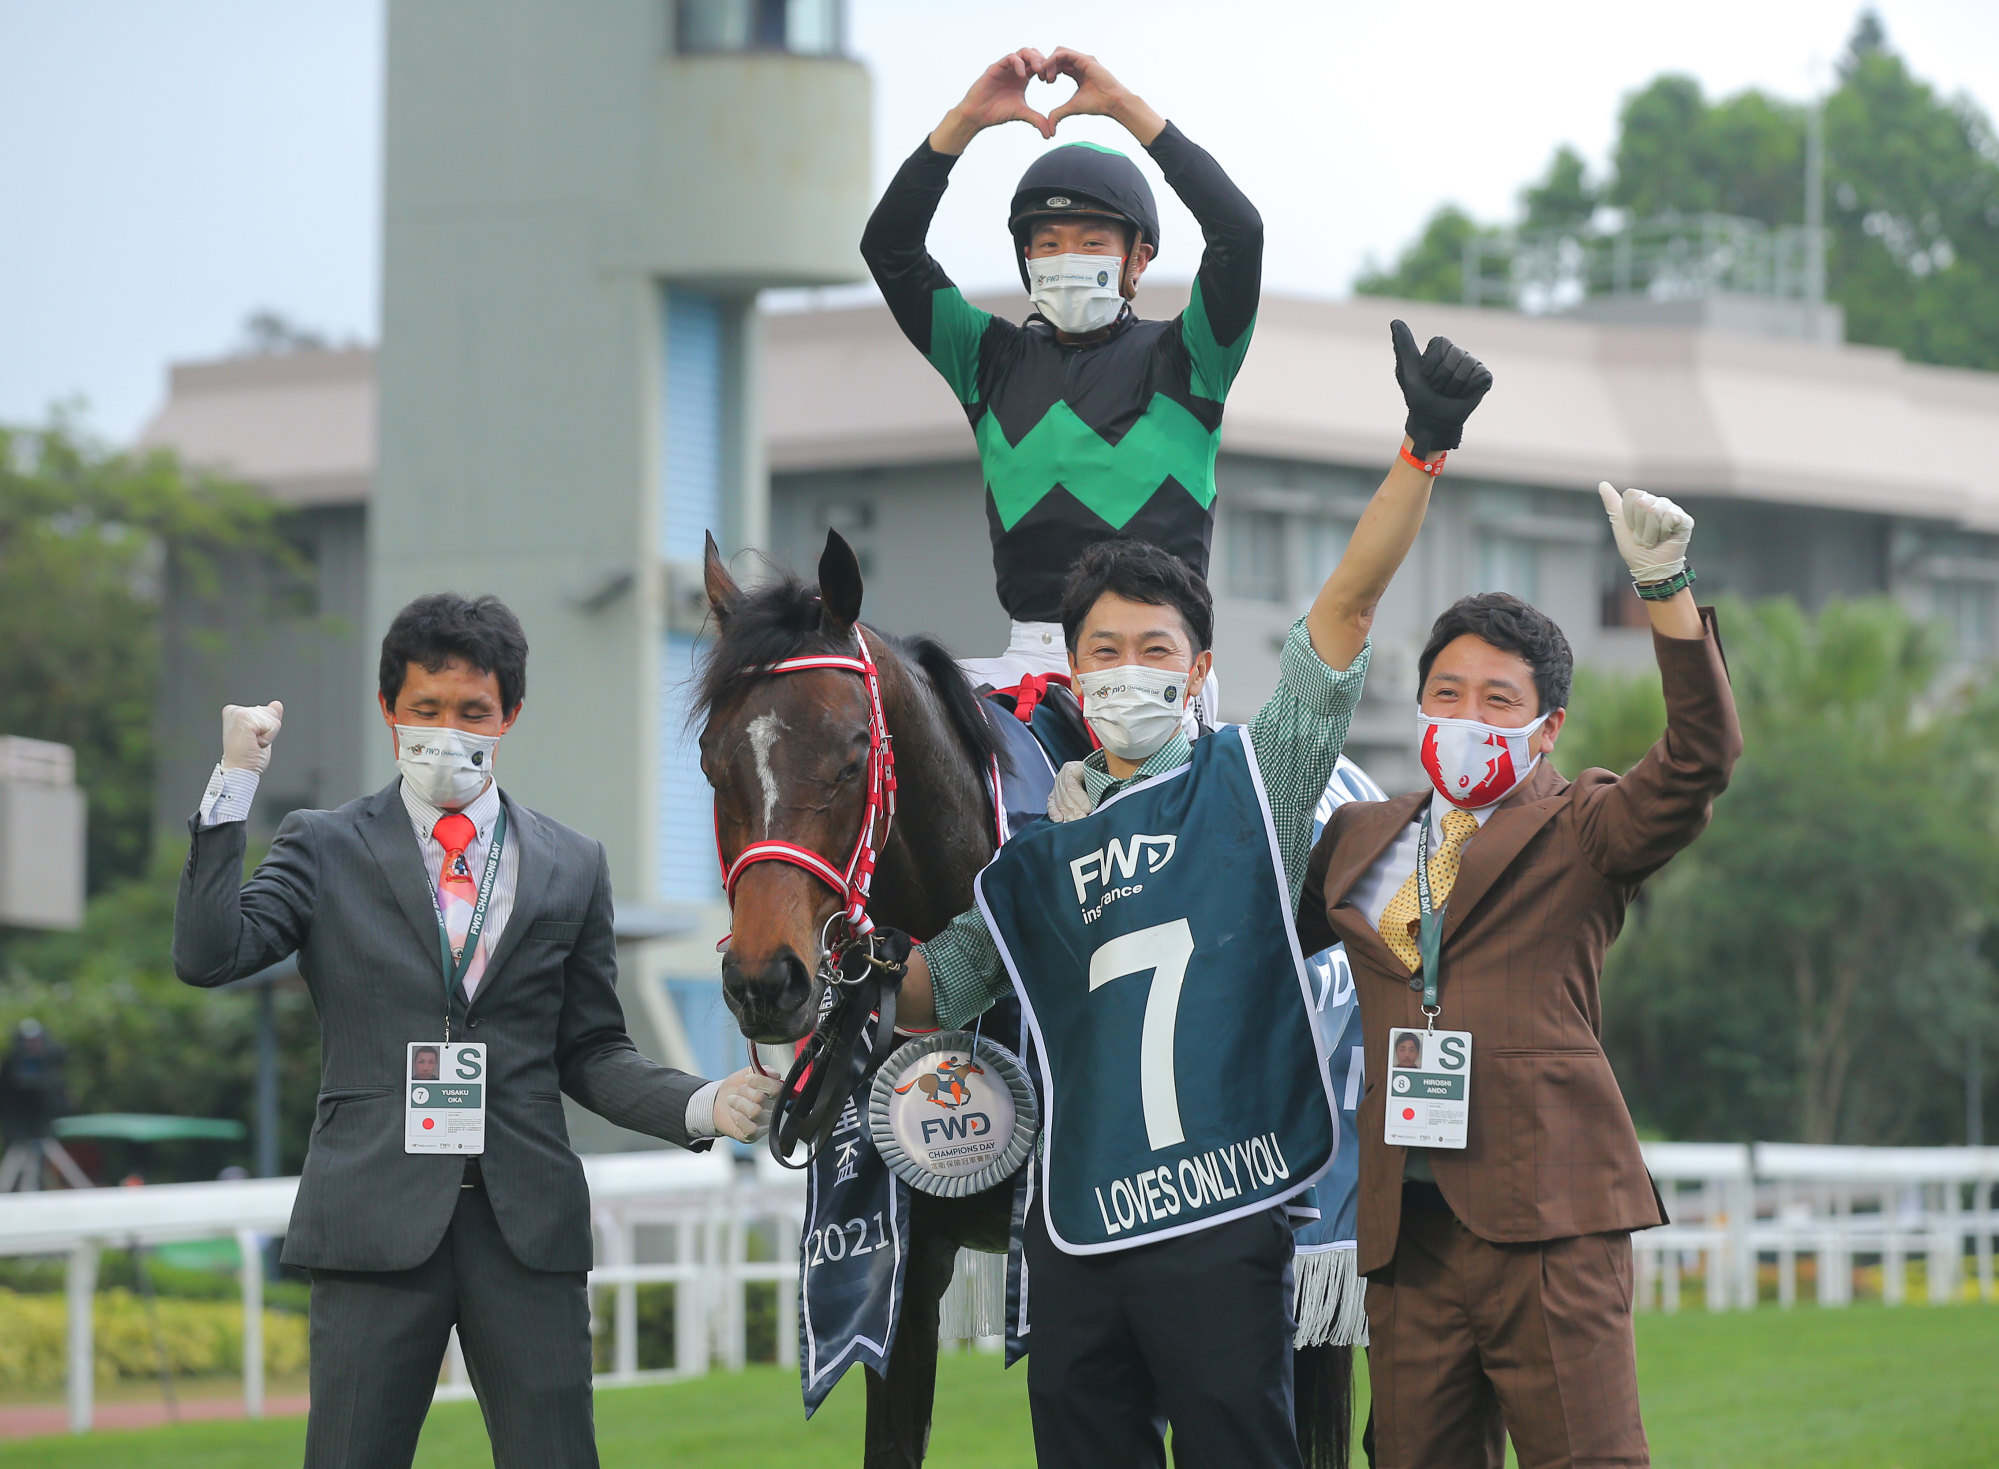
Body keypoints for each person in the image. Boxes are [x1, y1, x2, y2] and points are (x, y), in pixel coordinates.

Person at [884, 325, 1492, 1468]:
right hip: (1074, 1231)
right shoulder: (1026, 861)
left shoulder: (1253, 779)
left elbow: (1345, 613)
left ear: (1199, 668)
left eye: (1152, 646)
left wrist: (1421, 448)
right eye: (1101, 650)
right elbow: (934, 987)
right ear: (1069, 674)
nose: (1125, 669)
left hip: (1220, 1214)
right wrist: (845, 946)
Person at [173, 592, 782, 1469]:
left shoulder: (573, 863)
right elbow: (208, 952)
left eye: (472, 712)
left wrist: (703, 1102)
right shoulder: (322, 844)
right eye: (424, 710)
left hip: (525, 1225)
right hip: (372, 1221)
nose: (446, 731)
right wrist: (235, 780)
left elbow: (591, 1050)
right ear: (390, 712)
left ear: (509, 716)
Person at [1298, 486, 1741, 1469]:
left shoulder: (1583, 826)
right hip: (1404, 1230)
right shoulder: (1356, 838)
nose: (1465, 716)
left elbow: (1698, 759)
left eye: (1497, 701)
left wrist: (1663, 591)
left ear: (1545, 728)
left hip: (1548, 1218)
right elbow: (1242, 932)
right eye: (1445, 693)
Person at [860, 47, 1262, 721]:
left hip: (1157, 659)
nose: (1066, 258)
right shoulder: (984, 358)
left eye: (1091, 242)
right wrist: (965, 122)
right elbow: (889, 248)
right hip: (1026, 659)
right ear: (1025, 261)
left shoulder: (1192, 356)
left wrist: (1127, 111)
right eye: (1046, 244)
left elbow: (1237, 233)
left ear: (1138, 260)